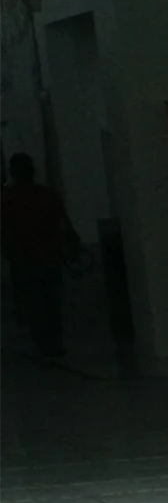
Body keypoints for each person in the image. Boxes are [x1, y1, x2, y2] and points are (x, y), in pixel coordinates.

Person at [0, 153, 77, 363]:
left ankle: (44, 342)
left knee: (34, 302)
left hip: (24, 258)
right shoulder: (47, 195)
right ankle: (54, 341)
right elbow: (63, 222)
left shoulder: (7, 199)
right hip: (49, 255)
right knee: (51, 300)